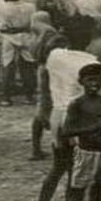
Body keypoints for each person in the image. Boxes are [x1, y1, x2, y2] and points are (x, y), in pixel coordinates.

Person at [31, 15, 101, 201]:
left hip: (58, 114)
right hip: (80, 119)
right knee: (79, 172)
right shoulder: (91, 62)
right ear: (89, 36)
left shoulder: (55, 56)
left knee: (58, 167)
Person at [58, 63, 101, 201]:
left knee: (98, 191)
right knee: (77, 195)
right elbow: (66, 131)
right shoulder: (77, 104)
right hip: (86, 154)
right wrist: (95, 127)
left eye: (98, 80)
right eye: (90, 80)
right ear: (81, 81)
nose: (94, 84)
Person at [29, 11, 68, 160]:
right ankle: (57, 146)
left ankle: (36, 147)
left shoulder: (35, 36)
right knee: (54, 109)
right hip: (51, 70)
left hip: (41, 69)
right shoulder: (50, 34)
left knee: (41, 110)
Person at [0, 0, 37, 106]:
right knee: (28, 67)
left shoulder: (3, 7)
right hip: (27, 36)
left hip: (9, 38)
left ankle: (6, 97)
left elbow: (3, 27)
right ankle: (29, 97)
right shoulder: (31, 7)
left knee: (8, 66)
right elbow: (33, 23)